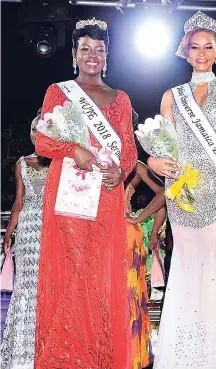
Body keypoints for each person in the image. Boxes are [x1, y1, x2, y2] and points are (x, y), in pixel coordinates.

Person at [147, 11, 216, 369]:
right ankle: (180, 355)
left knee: (213, 267)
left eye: (209, 46)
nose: (202, 52)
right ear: (185, 51)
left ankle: (214, 356)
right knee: (185, 266)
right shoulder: (171, 96)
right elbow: (163, 148)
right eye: (195, 47)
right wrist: (154, 162)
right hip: (183, 193)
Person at [34, 18, 137, 369]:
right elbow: (41, 139)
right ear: (75, 54)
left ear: (107, 55)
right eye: (85, 49)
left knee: (98, 274)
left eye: (99, 49)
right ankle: (63, 358)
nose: (92, 56)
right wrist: (71, 149)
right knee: (73, 269)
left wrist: (120, 171)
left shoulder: (121, 99)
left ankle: (96, 355)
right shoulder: (58, 91)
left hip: (105, 196)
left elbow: (129, 152)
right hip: (67, 193)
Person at [0, 114, 50, 369]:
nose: (37, 135)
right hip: (29, 230)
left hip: (52, 230)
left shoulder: (61, 163)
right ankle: (22, 350)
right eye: (35, 131)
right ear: (32, 135)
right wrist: (9, 233)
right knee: (27, 287)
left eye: (43, 132)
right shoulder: (22, 163)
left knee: (49, 284)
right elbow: (19, 202)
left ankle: (49, 347)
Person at [124, 161, 166, 369]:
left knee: (129, 297)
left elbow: (164, 192)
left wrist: (139, 218)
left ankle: (131, 355)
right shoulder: (93, 157)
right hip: (98, 235)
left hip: (125, 234)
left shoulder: (135, 165)